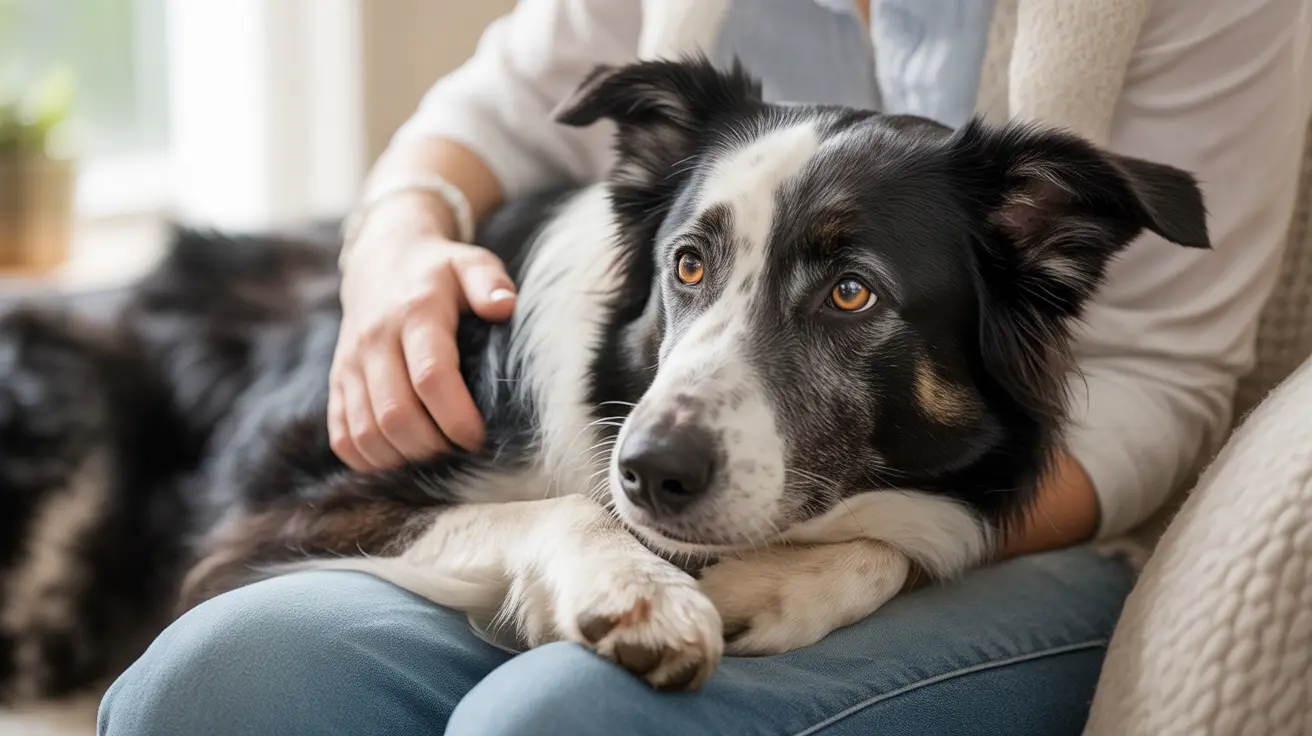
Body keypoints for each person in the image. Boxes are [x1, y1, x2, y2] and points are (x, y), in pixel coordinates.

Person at [99, 1, 1312, 734]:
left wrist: (876, 554)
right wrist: (397, 240)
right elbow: (500, 101)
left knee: (564, 719)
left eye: (847, 295)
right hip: (592, 530)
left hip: (1025, 538)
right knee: (207, 682)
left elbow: (1164, 383)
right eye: (692, 266)